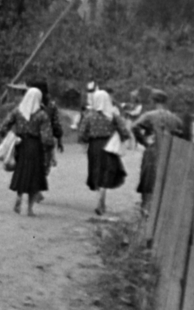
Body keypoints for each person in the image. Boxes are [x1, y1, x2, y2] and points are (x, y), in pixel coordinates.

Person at [0, 85, 56, 216]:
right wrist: (49, 151)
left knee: (22, 172)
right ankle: (30, 209)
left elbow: (3, 127)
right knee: (34, 176)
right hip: (35, 147)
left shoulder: (17, 111)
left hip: (21, 145)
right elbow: (47, 138)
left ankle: (19, 197)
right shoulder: (42, 115)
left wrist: (11, 138)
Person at [76, 86, 131, 215]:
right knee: (107, 171)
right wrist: (121, 138)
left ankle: (99, 200)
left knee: (96, 170)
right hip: (109, 146)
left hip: (94, 146)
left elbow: (82, 134)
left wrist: (85, 142)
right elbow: (125, 132)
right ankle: (102, 201)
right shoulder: (113, 115)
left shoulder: (89, 116)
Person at [133, 89, 186, 212]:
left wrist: (144, 141)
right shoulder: (175, 119)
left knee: (148, 179)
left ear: (153, 100)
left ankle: (145, 208)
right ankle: (159, 209)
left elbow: (135, 126)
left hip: (152, 151)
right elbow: (182, 135)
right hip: (169, 153)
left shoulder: (149, 115)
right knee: (165, 180)